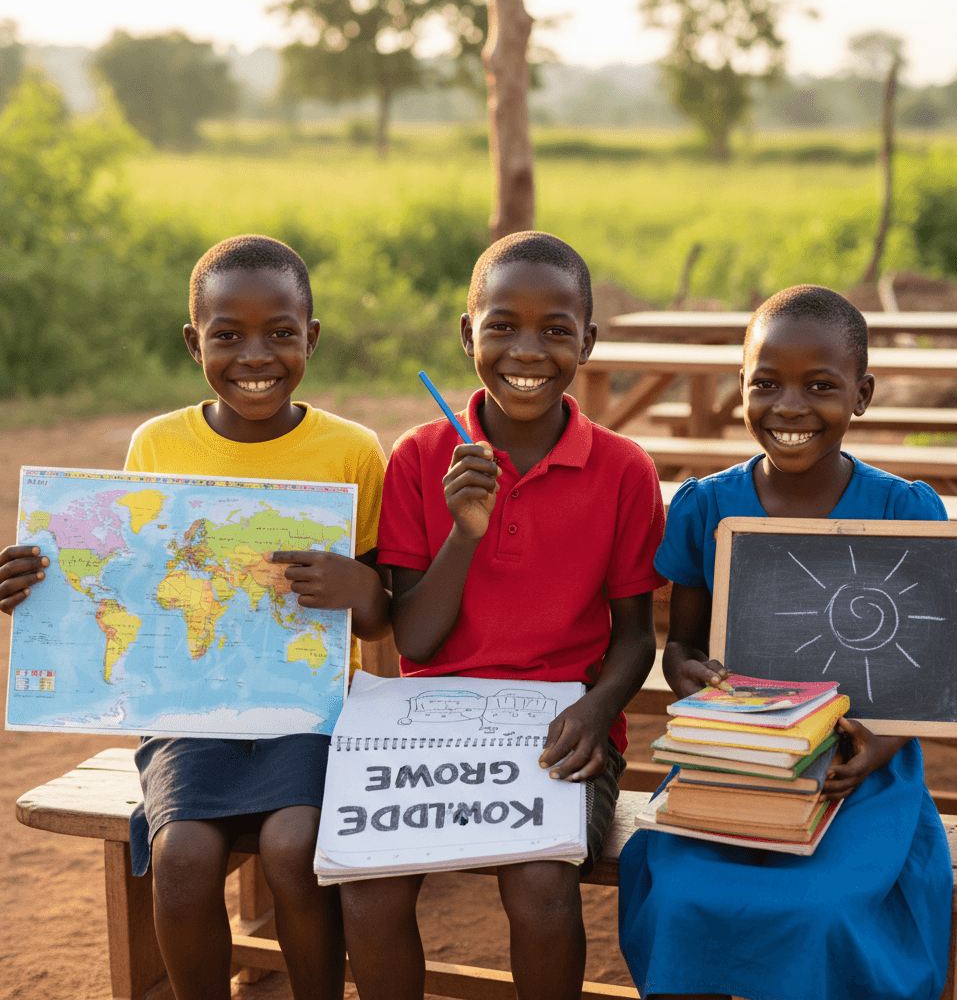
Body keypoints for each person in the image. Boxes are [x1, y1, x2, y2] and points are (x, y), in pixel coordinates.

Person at [0, 234, 390, 1000]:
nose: (256, 355)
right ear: (193, 342)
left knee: (293, 844)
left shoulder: (352, 451)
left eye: (281, 333)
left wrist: (357, 584)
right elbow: (129, 582)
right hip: (187, 714)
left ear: (310, 338)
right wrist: (34, 585)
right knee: (180, 857)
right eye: (227, 334)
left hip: (307, 713)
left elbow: (379, 618)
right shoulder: (158, 443)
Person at [341, 231, 666, 1000]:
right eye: (502, 326)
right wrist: (466, 531)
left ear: (587, 340)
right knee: (368, 887)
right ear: (467, 335)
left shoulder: (624, 469)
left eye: (557, 330)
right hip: (427, 723)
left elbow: (633, 636)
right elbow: (413, 636)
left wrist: (598, 709)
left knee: (538, 882)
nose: (529, 349)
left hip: (564, 727)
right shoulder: (422, 458)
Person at [617, 285, 953, 1000]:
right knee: (680, 899)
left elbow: (927, 671)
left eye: (821, 386)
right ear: (740, 387)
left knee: (822, 912)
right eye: (764, 383)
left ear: (862, 394)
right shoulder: (706, 505)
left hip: (856, 771)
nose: (790, 407)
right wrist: (694, 679)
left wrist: (882, 745)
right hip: (733, 761)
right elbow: (680, 645)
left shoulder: (903, 510)